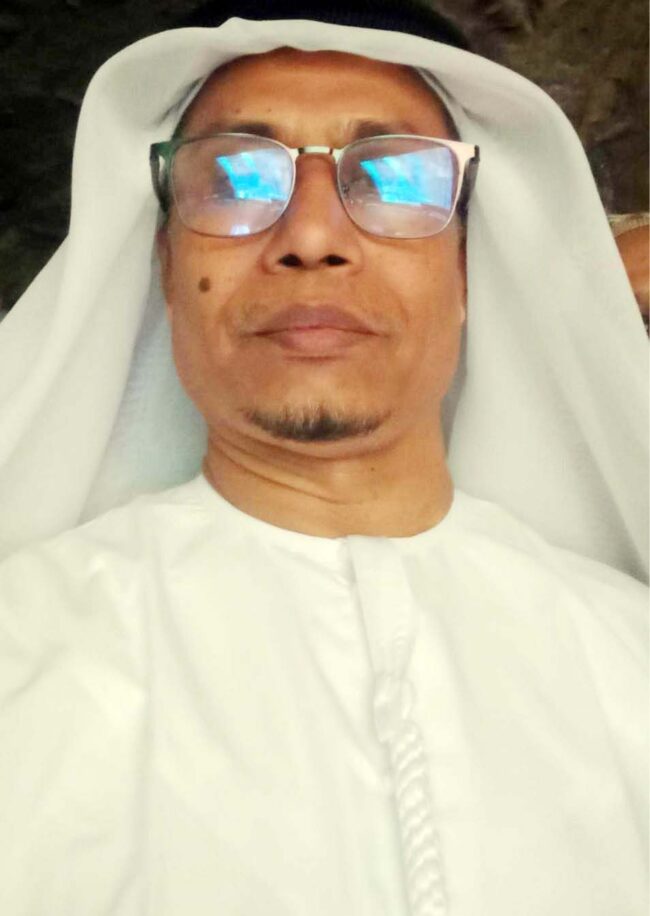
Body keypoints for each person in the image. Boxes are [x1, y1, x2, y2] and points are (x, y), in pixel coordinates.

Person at [0, 3, 647, 915]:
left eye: (394, 177)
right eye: (235, 176)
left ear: (467, 270)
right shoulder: (23, 654)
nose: (311, 237)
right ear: (164, 267)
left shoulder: (628, 658)